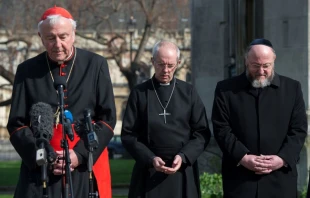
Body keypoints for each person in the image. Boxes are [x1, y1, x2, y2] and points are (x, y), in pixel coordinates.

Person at [7, 6, 116, 198]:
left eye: (63, 36)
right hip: (41, 167)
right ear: (41, 38)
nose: (57, 44)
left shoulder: (96, 64)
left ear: (73, 35)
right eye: (50, 38)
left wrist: (79, 155)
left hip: (85, 163)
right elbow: (17, 125)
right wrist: (44, 156)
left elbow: (107, 120)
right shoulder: (27, 70)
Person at [211, 38, 307, 198]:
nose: (261, 71)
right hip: (240, 179)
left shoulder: (292, 88)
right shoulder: (226, 90)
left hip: (280, 179)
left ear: (273, 62)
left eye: (266, 66)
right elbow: (221, 128)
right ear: (246, 62)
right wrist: (243, 157)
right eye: (255, 65)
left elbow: (298, 130)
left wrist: (282, 159)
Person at [121, 40, 211, 198]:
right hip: (148, 169)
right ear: (152, 62)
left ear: (178, 63)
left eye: (171, 65)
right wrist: (150, 158)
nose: (166, 70)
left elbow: (202, 133)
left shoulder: (188, 92)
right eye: (161, 64)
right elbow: (128, 134)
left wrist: (183, 157)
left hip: (182, 169)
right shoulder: (139, 93)